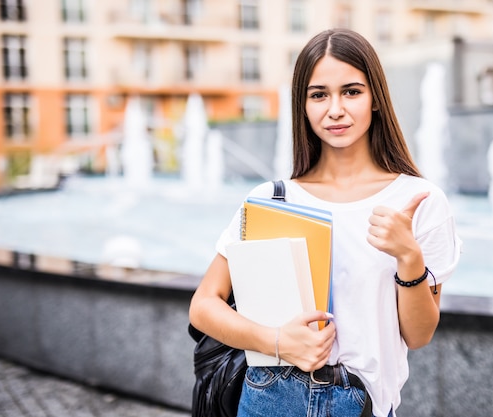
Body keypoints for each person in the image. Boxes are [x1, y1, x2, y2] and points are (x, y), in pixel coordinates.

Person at [189, 28, 461, 417]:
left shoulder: (418, 202)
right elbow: (203, 305)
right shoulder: (272, 199)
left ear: (376, 100)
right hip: (268, 396)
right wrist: (278, 340)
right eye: (319, 95)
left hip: (361, 401)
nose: (335, 109)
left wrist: (409, 258)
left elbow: (419, 335)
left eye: (351, 91)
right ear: (302, 106)